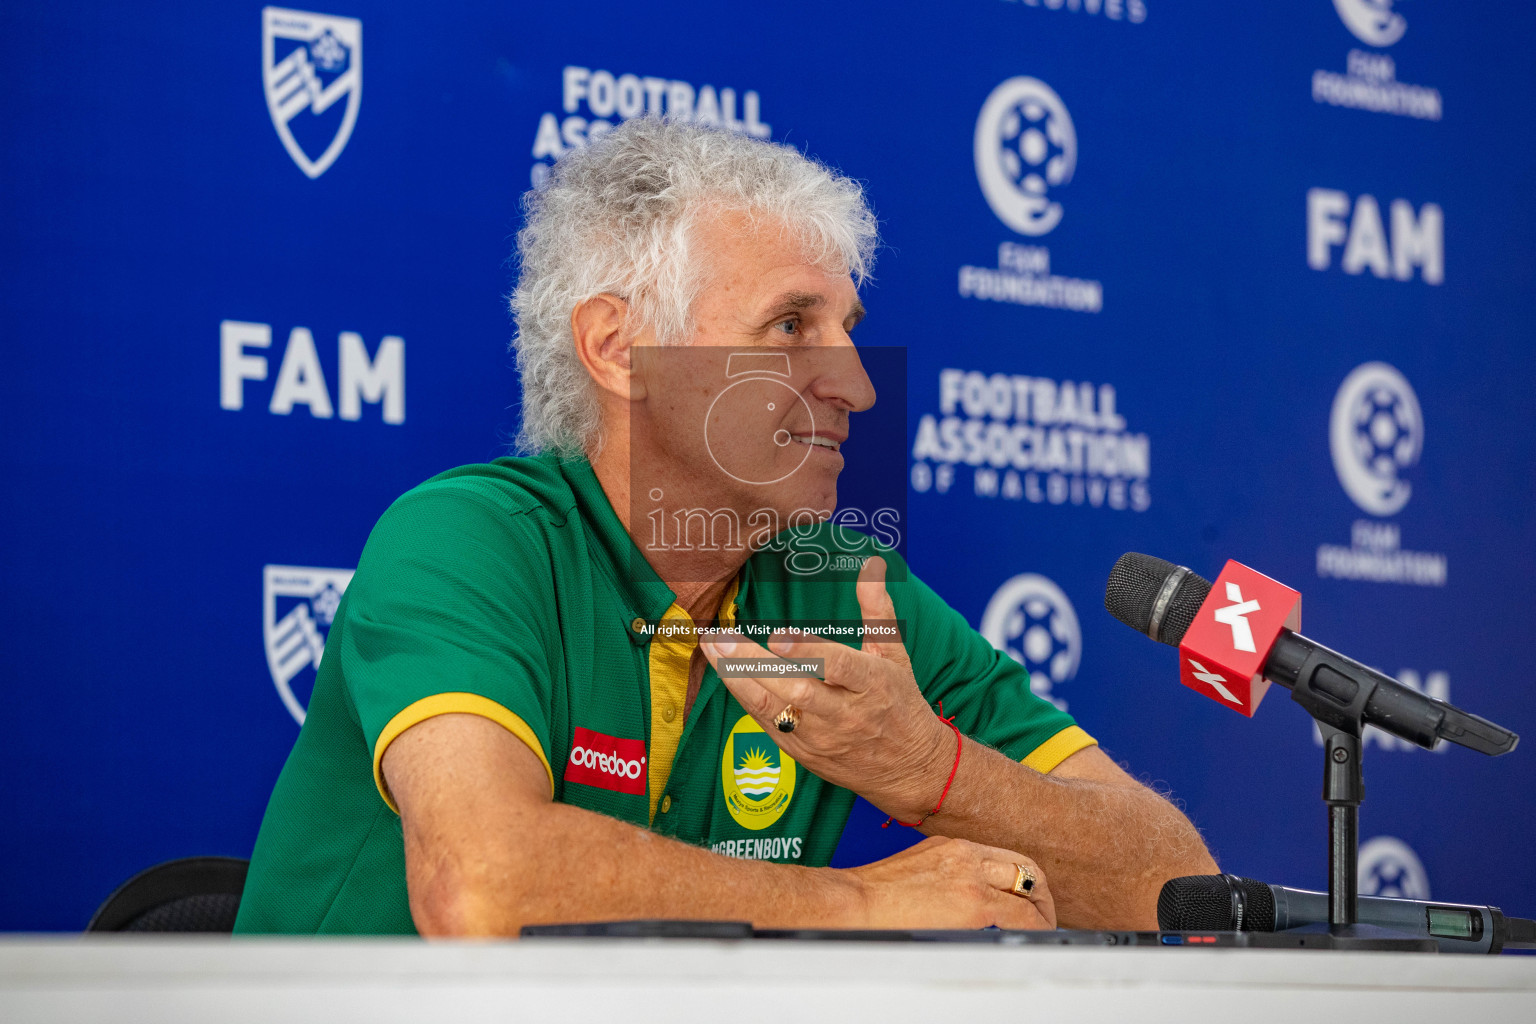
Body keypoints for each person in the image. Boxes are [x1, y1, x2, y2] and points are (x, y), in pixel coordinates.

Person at [235, 118, 1217, 936]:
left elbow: (1176, 887)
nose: (857, 384)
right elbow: (482, 887)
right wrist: (862, 901)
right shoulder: (467, 541)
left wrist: (936, 771)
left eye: (847, 328)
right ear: (621, 349)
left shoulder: (848, 586)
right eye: (790, 327)